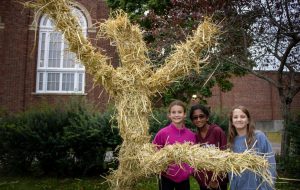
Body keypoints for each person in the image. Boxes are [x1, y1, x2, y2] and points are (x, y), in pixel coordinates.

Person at [228, 105, 277, 190]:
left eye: (242, 117)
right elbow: (231, 171)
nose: (239, 119)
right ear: (232, 121)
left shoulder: (259, 137)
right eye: (235, 117)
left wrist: (266, 187)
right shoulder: (232, 141)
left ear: (248, 120)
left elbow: (270, 163)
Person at [153, 100, 196, 190]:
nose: (177, 115)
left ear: (184, 114)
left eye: (179, 112)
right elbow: (154, 149)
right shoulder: (163, 133)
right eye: (173, 112)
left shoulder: (191, 135)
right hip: (166, 176)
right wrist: (161, 164)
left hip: (184, 177)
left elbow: (194, 155)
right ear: (169, 115)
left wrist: (189, 170)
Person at [190, 104, 228, 190]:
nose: (198, 120)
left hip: (219, 182)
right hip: (204, 182)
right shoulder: (195, 136)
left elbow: (225, 156)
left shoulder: (216, 131)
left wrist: (216, 179)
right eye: (195, 117)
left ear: (207, 117)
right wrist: (202, 180)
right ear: (192, 121)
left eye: (201, 116)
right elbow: (195, 161)